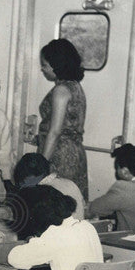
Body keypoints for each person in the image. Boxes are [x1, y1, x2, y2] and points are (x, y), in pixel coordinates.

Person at [26, 39, 89, 201]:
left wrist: (41, 164)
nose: (43, 68)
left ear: (57, 65)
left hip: (59, 155)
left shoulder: (60, 90)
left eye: (45, 64)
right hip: (75, 153)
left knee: (54, 203)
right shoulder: (75, 86)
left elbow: (55, 132)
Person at [87, 143, 135, 232]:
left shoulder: (123, 189)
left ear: (125, 172)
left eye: (117, 168)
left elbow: (94, 209)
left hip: (129, 241)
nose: (116, 171)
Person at [10, 152, 85, 220]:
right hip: (78, 230)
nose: (22, 185)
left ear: (30, 177)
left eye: (23, 182)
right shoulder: (69, 183)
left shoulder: (43, 192)